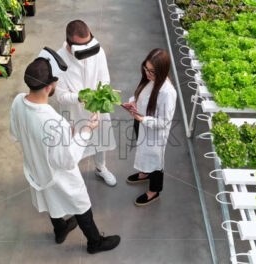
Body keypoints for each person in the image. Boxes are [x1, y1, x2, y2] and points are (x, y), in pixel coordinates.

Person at [10, 48, 120, 253]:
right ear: (49, 87)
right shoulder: (53, 122)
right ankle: (94, 243)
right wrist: (86, 130)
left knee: (50, 198)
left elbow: (16, 134)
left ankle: (60, 229)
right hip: (59, 175)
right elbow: (68, 160)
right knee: (81, 203)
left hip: (36, 167)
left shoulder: (18, 101)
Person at [55, 20, 118, 186]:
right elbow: (60, 96)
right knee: (74, 144)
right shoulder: (59, 59)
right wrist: (80, 97)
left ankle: (100, 168)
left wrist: (103, 93)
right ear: (69, 44)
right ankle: (72, 175)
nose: (87, 52)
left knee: (100, 136)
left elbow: (104, 79)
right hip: (73, 110)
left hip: (96, 106)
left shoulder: (96, 51)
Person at [122, 49, 177, 207]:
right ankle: (145, 173)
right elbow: (142, 96)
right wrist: (133, 103)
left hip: (153, 132)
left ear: (161, 70)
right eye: (145, 68)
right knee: (143, 152)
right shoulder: (150, 80)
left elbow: (163, 122)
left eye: (151, 71)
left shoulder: (168, 93)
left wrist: (142, 118)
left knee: (155, 160)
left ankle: (154, 190)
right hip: (141, 122)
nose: (147, 73)